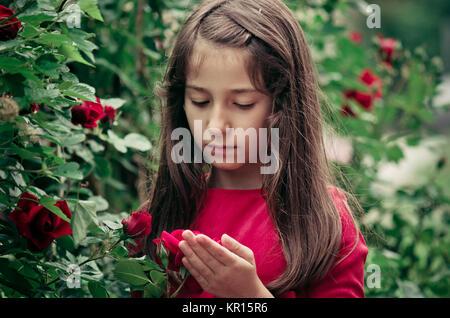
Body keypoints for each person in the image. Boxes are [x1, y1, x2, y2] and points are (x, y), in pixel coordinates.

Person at [136, 0, 368, 298]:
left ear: (283, 104)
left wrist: (251, 296)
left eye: (242, 103)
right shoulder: (161, 215)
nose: (215, 126)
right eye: (200, 101)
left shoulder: (324, 220)